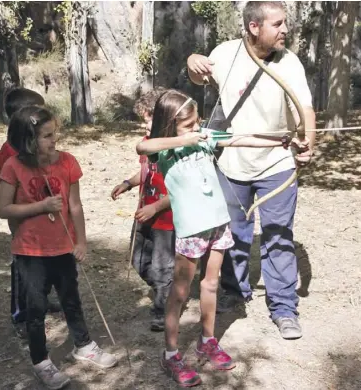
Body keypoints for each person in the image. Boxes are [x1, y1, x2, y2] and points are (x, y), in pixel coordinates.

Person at [136, 89, 307, 387]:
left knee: (211, 284)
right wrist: (185, 138)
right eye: (188, 125)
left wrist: (279, 142)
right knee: (178, 292)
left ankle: (207, 340)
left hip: (218, 224)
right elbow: (142, 145)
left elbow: (239, 139)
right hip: (192, 229)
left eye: (196, 124)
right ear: (170, 125)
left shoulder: (204, 138)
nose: (196, 129)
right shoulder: (164, 150)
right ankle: (172, 353)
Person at [186, 1, 316, 340]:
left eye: (285, 22)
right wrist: (191, 62)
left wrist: (308, 142)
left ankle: (284, 308)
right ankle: (232, 290)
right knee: (232, 234)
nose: (285, 29)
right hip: (231, 163)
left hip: (277, 163)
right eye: (277, 23)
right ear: (254, 27)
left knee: (277, 234)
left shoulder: (289, 62)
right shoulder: (226, 53)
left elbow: (305, 108)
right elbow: (198, 75)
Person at [0, 106, 117, 389]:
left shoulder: (67, 162)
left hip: (62, 246)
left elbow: (75, 205)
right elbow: (4, 209)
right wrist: (41, 206)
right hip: (30, 251)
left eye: (55, 134)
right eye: (47, 136)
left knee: (70, 298)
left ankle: (83, 344)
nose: (54, 141)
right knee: (35, 308)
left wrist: (81, 241)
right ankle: (41, 361)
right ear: (28, 139)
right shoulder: (13, 166)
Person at [0, 87, 61, 339]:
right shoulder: (10, 153)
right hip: (23, 218)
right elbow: (11, 190)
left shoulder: (35, 147)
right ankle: (20, 313)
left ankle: (41, 301)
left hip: (42, 214)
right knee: (24, 266)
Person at [110, 87, 174, 332]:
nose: (145, 128)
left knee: (162, 266)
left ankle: (162, 310)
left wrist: (156, 207)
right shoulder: (148, 144)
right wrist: (128, 183)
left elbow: (179, 190)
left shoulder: (177, 148)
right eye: (144, 122)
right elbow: (147, 172)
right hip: (144, 215)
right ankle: (166, 286)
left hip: (166, 221)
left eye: (150, 122)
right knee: (137, 260)